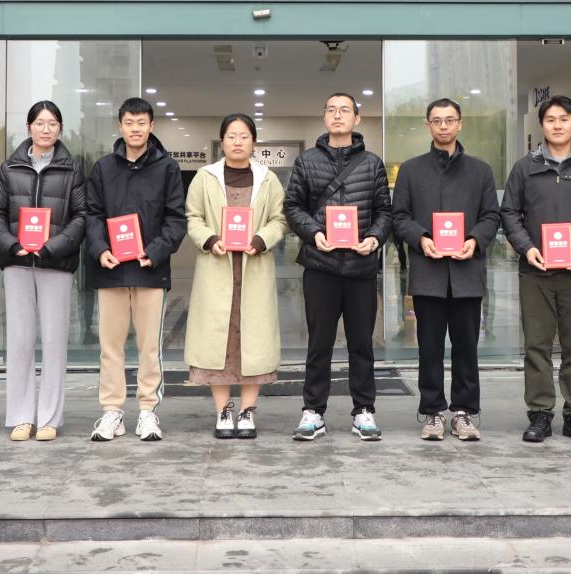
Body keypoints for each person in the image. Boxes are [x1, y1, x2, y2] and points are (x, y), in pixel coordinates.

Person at [500, 94, 571, 444]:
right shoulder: (525, 168)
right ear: (542, 125)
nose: (558, 125)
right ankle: (539, 414)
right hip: (535, 271)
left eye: (564, 119)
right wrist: (527, 247)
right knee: (536, 345)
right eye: (550, 120)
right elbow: (509, 213)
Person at [284, 92, 392, 442]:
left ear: (356, 118)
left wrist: (373, 238)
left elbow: (384, 211)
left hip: (360, 268)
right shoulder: (307, 161)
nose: (337, 115)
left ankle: (364, 411)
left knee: (362, 343)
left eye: (345, 110)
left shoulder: (372, 164)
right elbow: (293, 206)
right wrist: (314, 234)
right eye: (331, 109)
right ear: (324, 117)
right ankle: (313, 411)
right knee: (319, 343)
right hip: (321, 265)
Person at [392, 98, 500, 442]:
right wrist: (421, 238)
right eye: (436, 120)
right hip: (429, 274)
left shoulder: (480, 171)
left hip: (467, 274)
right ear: (428, 125)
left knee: (467, 347)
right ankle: (433, 412)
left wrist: (475, 239)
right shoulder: (411, 170)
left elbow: (491, 216)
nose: (443, 126)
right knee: (430, 348)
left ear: (460, 124)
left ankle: (464, 412)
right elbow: (399, 217)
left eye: (449, 120)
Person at [85, 97, 186, 443]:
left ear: (151, 126)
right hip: (111, 270)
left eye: (142, 123)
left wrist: (154, 252)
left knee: (149, 348)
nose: (135, 129)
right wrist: (100, 249)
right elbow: (92, 214)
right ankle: (112, 411)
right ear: (120, 126)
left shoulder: (167, 168)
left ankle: (147, 410)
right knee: (109, 347)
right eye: (129, 123)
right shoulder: (103, 168)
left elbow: (176, 219)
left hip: (150, 270)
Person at [183, 114, 289, 440]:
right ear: (222, 141)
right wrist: (209, 239)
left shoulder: (268, 179)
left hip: (254, 270)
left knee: (252, 343)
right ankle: (223, 411)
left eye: (244, 136)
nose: (238, 142)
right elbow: (193, 217)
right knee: (219, 342)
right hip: (216, 269)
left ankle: (247, 412)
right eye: (231, 136)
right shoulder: (205, 177)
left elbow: (279, 219)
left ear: (253, 142)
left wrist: (261, 239)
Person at [0, 101, 86, 442]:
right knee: (20, 341)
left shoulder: (72, 169)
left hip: (56, 264)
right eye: (40, 123)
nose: (46, 129)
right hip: (17, 263)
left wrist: (52, 247)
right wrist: (11, 244)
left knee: (55, 341)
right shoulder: (10, 167)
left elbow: (81, 217)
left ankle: (49, 418)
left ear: (60, 129)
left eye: (53, 123)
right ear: (29, 127)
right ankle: (20, 417)